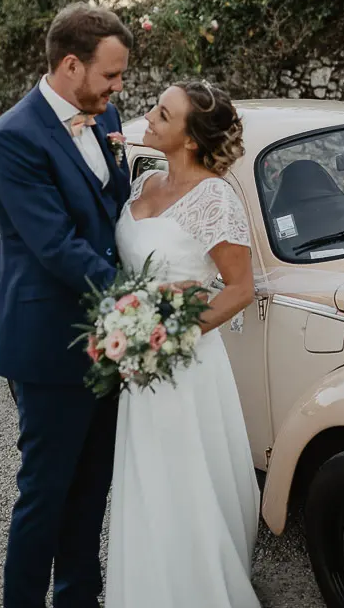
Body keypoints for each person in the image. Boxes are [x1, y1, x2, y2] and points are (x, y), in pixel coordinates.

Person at [0, 3, 133, 608]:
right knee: (44, 492)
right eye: (111, 76)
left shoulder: (106, 116)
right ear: (71, 64)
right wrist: (139, 299)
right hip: (50, 340)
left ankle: (78, 596)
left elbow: (114, 210)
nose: (119, 88)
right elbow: (56, 246)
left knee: (92, 485)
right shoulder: (14, 138)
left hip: (111, 336)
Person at [106, 79, 261, 608]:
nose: (148, 117)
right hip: (136, 359)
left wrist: (169, 332)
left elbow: (240, 289)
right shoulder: (144, 182)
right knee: (145, 483)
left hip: (181, 364)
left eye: (163, 115)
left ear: (191, 140)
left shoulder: (214, 198)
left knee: (179, 485)